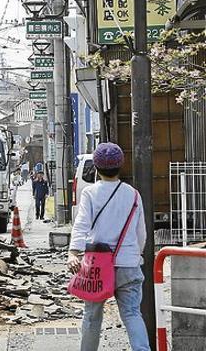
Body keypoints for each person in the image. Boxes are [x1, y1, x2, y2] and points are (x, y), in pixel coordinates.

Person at [68, 142, 148, 351]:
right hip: (129, 264)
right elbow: (141, 234)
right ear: (120, 166)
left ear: (96, 167)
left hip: (97, 266)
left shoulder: (90, 193)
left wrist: (73, 252)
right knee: (132, 314)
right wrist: (135, 255)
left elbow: (81, 224)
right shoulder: (133, 194)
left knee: (92, 317)